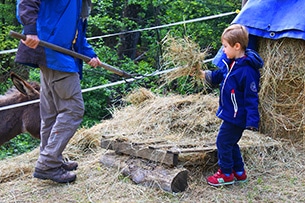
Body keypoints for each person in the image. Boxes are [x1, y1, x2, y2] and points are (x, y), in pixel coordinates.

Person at [15, 0, 102, 183]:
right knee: (73, 109)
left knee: (51, 113)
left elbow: (75, 31)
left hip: (56, 55)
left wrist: (89, 53)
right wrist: (30, 29)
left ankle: (51, 158)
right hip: (54, 55)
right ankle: (48, 163)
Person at [194, 24, 263, 186]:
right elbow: (219, 76)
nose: (223, 50)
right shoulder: (231, 63)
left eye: (225, 46)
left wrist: (252, 121)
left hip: (236, 116)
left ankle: (225, 174)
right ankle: (239, 172)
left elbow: (251, 97)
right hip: (230, 112)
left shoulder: (247, 71)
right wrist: (202, 74)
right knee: (231, 143)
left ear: (237, 46)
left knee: (223, 142)